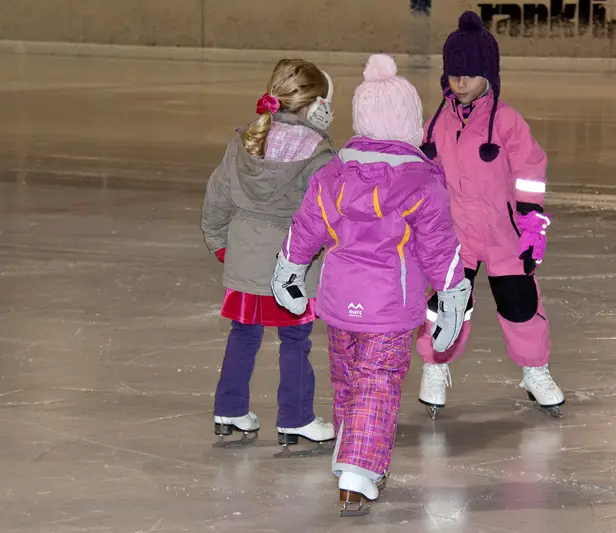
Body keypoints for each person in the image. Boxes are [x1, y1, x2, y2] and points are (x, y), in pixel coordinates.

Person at [271, 54, 470, 516]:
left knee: (348, 380)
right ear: (410, 123)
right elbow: (441, 250)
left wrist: (289, 269)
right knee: (377, 383)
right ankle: (358, 470)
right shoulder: (422, 181)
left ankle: (353, 453)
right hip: (390, 309)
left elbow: (305, 230)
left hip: (339, 302)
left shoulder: (333, 174)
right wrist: (453, 298)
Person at [416, 11, 565, 419]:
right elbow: (422, 176)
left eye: (468, 74)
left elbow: (530, 171)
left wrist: (532, 223)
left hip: (504, 234)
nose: (459, 83)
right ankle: (434, 365)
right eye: (453, 74)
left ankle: (535, 370)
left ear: (489, 74)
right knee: (445, 307)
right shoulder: (435, 125)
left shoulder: (506, 120)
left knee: (520, 303)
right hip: (453, 237)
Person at [200, 59, 337, 452]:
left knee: (243, 335)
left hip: (243, 256)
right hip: (291, 266)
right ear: (317, 106)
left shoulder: (246, 139)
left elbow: (218, 195)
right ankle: (296, 418)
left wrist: (218, 241)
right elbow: (325, 215)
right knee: (295, 340)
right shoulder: (321, 155)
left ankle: (229, 409)